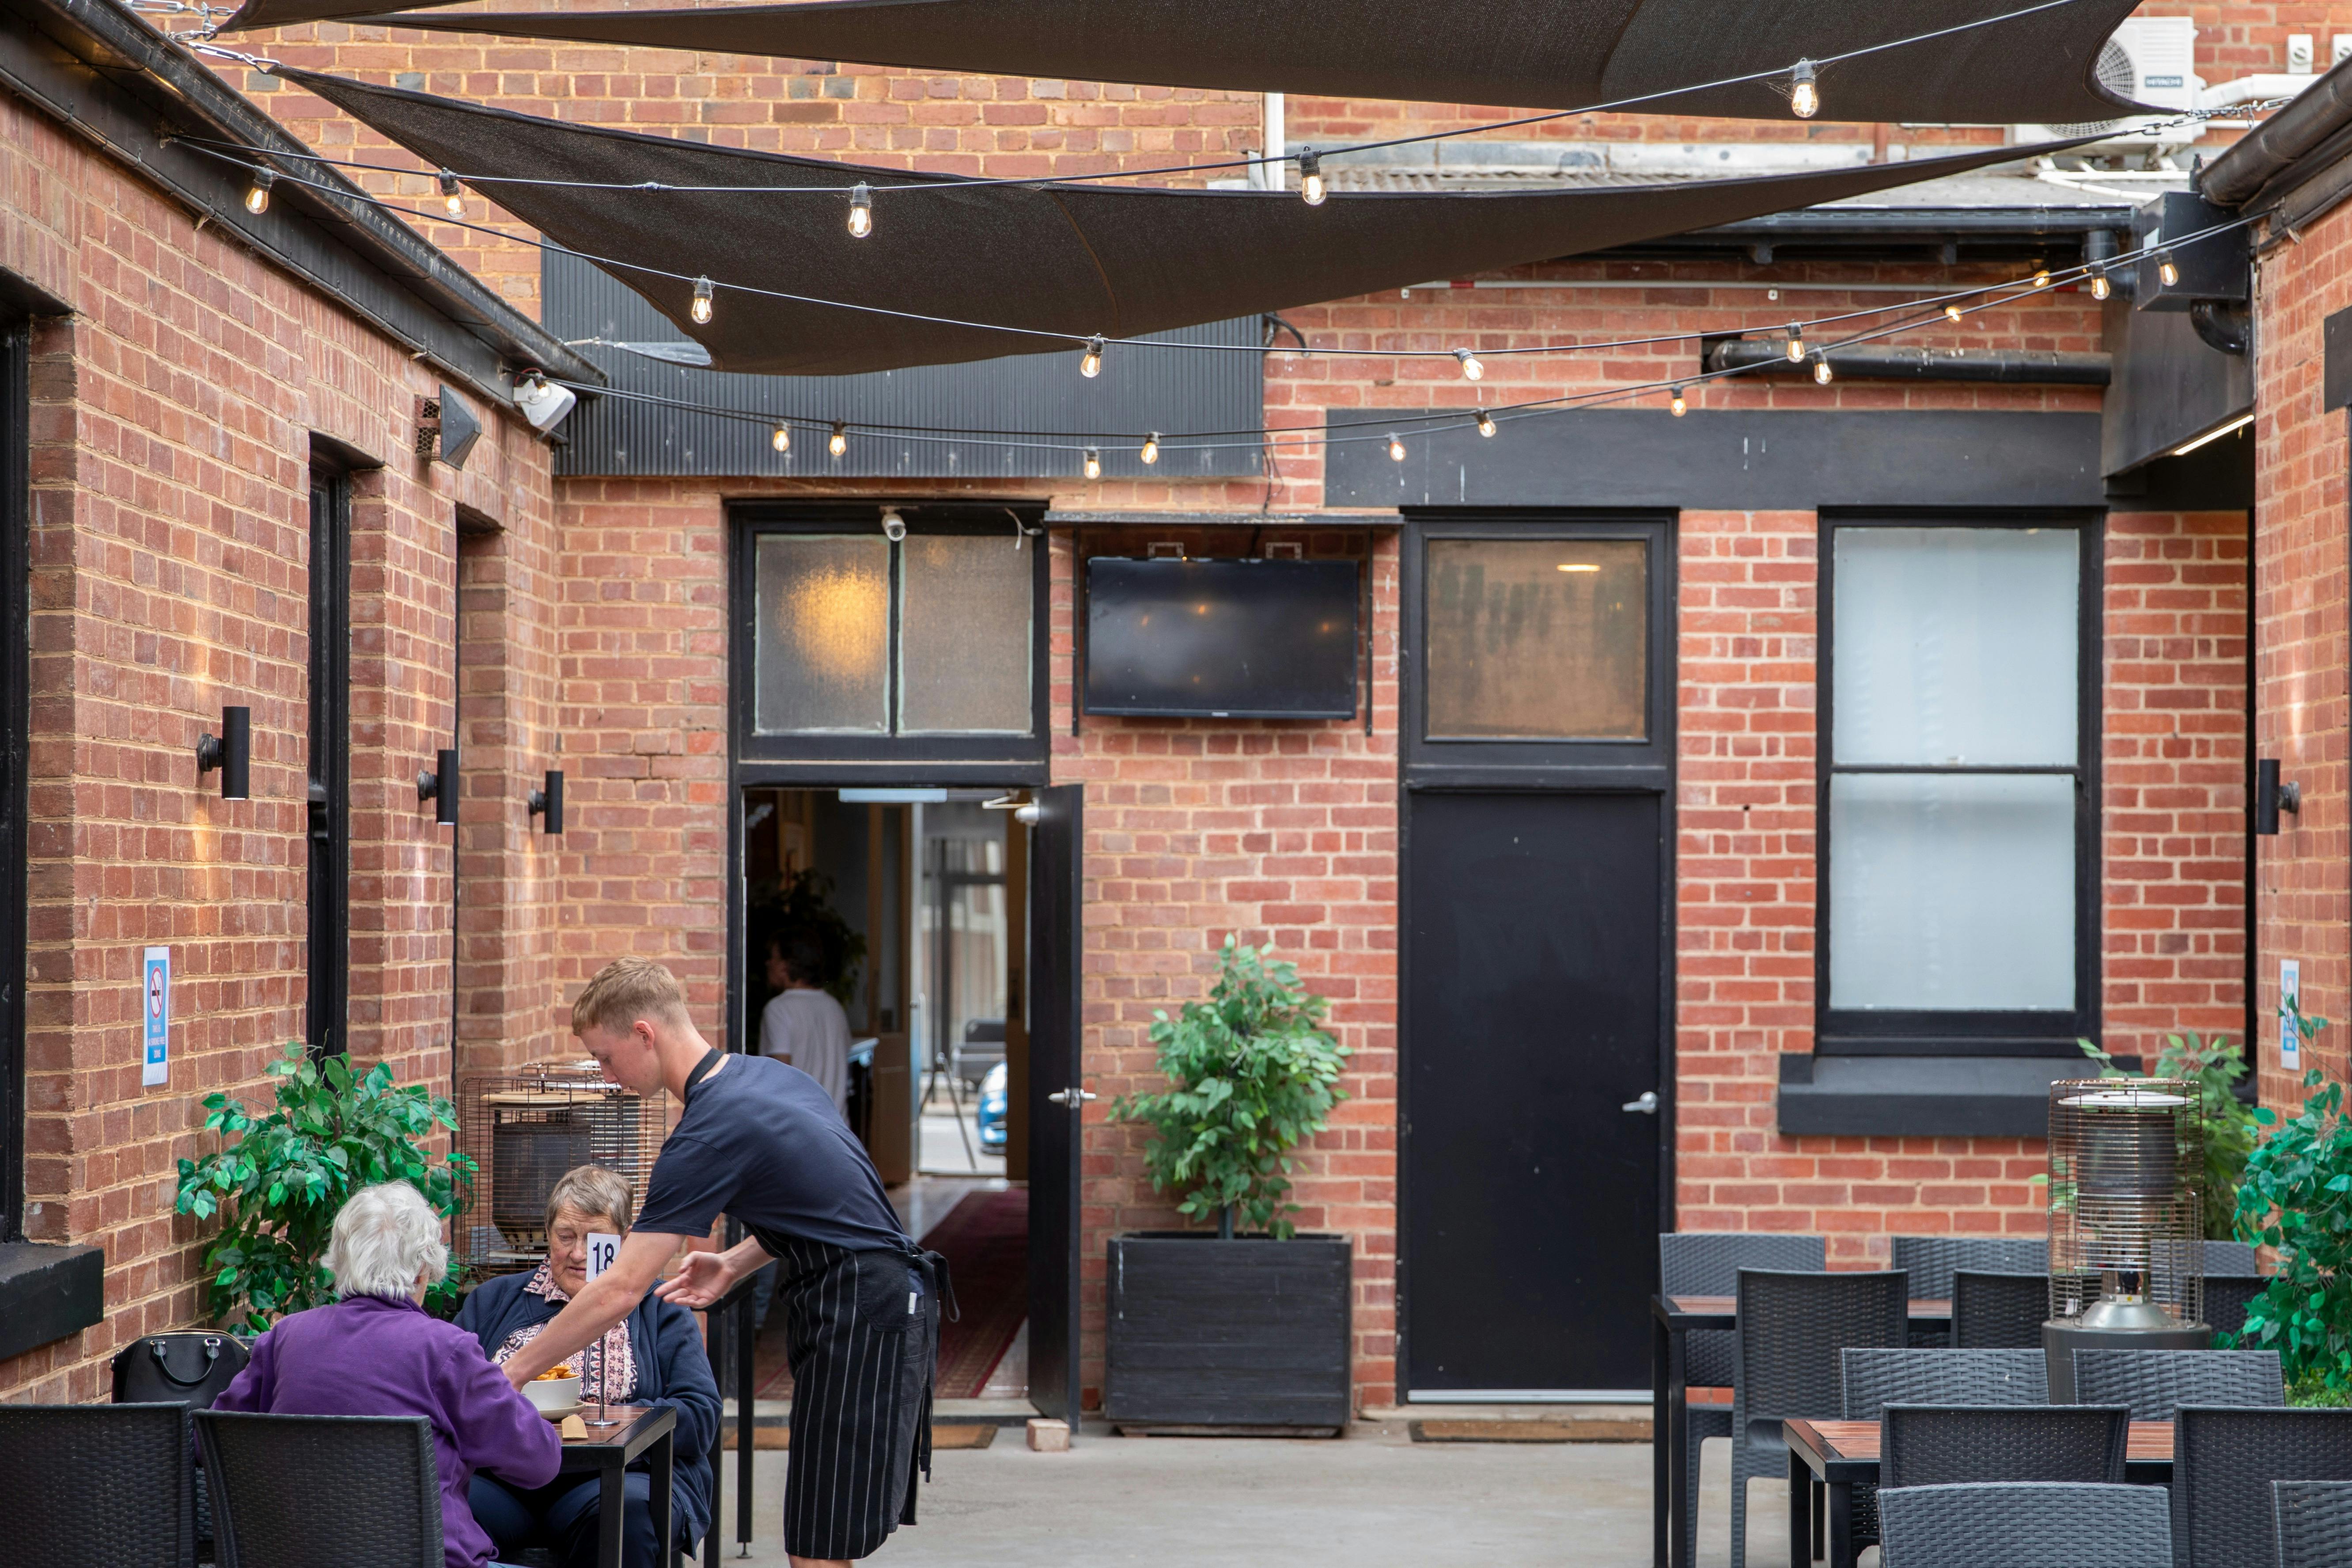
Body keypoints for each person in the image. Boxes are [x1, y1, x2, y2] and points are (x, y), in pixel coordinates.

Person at [498, 958, 941, 1568]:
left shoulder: (707, 1129)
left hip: (863, 1309)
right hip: (869, 1297)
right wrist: (735, 1260)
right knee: (820, 1534)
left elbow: (621, 1287)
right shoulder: (765, 1080)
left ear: (645, 1034)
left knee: (817, 1544)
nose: (607, 1074)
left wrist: (514, 1370)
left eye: (605, 1056)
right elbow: (831, 1204)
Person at [213, 1182, 561, 1568]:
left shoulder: (284, 1337)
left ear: (342, 1258)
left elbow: (210, 1439)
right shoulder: (446, 1349)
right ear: (422, 1270)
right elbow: (538, 1462)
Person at [457, 1164, 720, 1568]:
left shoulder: (659, 1309)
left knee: (627, 1515)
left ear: (624, 1240)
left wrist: (614, 1425)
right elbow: (450, 1393)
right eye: (565, 1237)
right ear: (547, 1235)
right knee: (443, 1503)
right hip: (505, 1480)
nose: (578, 1254)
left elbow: (701, 1415)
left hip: (614, 1479)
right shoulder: (492, 1301)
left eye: (595, 1239)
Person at [758, 931, 852, 1121]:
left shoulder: (779, 1009)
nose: (768, 963)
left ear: (786, 966)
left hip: (800, 1131)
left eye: (774, 958)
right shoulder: (835, 1008)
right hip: (838, 1130)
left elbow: (780, 1078)